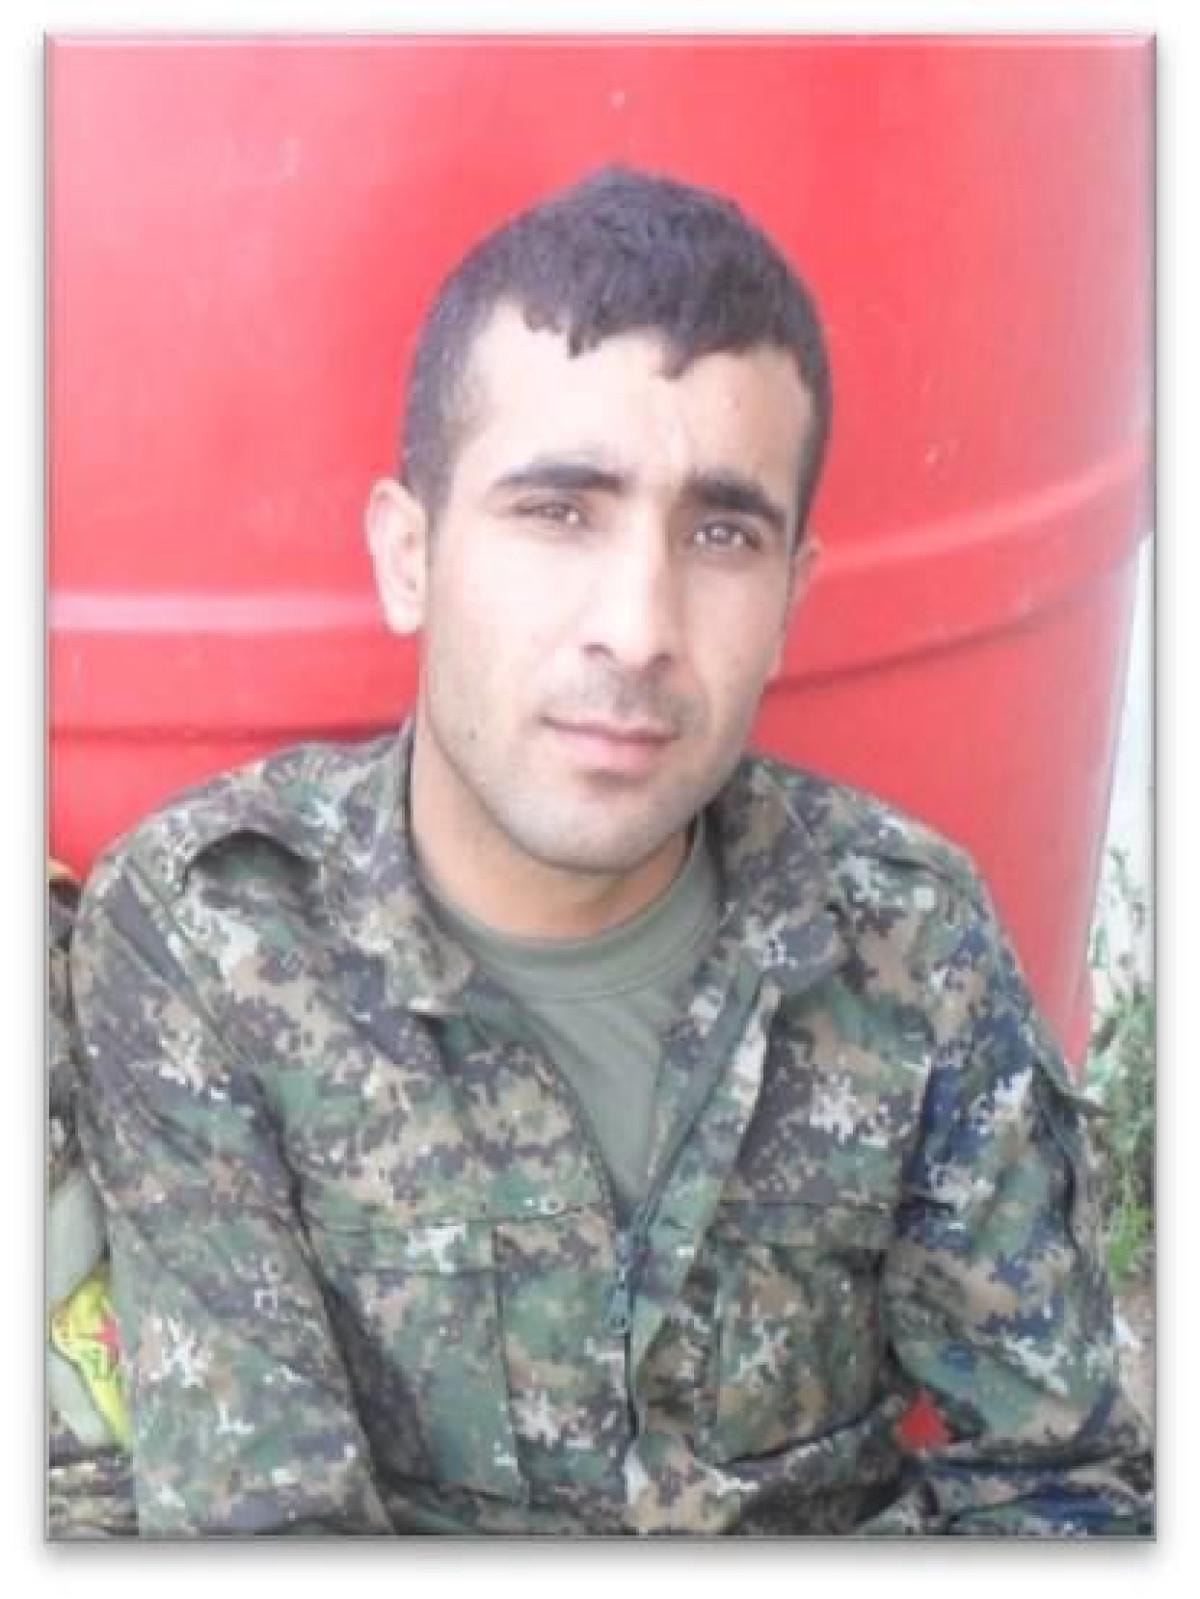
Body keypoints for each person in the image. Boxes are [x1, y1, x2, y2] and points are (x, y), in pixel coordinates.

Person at [68, 166, 1151, 1537]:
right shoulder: (211, 935)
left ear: (791, 599)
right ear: (409, 557)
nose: (638, 627)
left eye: (721, 533)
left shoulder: (904, 940)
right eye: (558, 511)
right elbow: (268, 1538)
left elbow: (1061, 1483)